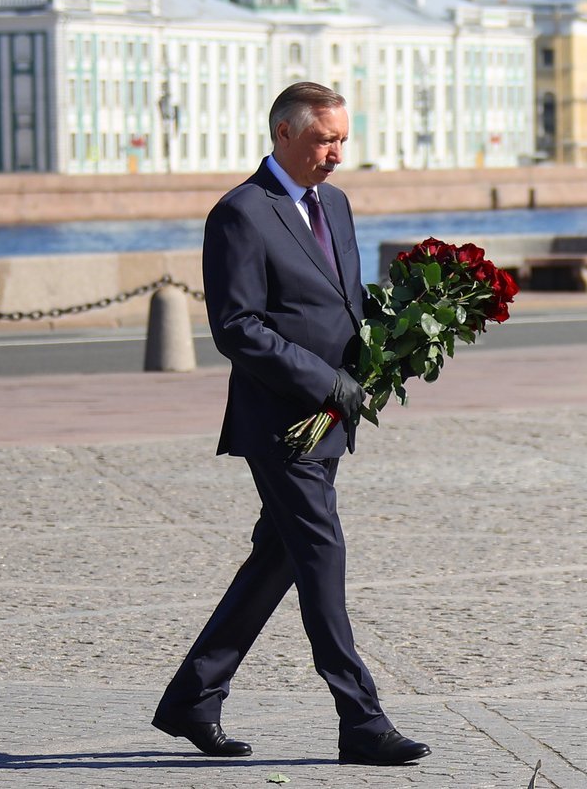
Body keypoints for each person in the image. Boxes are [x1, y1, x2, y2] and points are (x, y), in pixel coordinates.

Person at [153, 82, 430, 767]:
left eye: (341, 141)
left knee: (276, 560)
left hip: (332, 418)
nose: (335, 155)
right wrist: (323, 380)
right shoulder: (241, 214)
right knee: (320, 553)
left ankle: (193, 697)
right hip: (280, 422)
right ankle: (360, 718)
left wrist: (401, 336)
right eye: (323, 140)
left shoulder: (334, 203)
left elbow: (345, 301)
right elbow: (237, 328)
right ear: (283, 134)